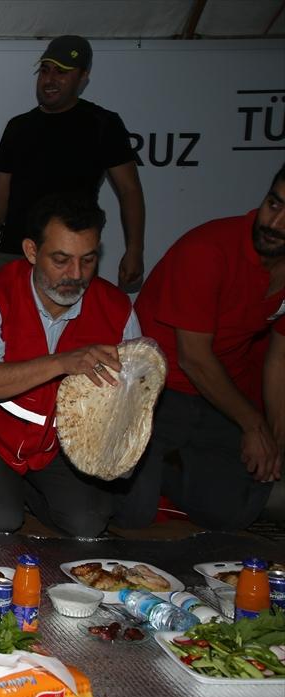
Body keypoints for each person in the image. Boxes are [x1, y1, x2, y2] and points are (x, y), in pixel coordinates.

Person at [0, 193, 141, 537]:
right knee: (0, 520)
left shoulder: (117, 309)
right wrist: (63, 362)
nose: (75, 274)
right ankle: (3, 487)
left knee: (90, 523)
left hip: (60, 445)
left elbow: (131, 400)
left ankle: (30, 490)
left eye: (88, 260)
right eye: (61, 259)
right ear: (31, 251)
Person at [116, 166, 285, 530]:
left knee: (237, 511)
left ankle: (174, 466)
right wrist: (253, 424)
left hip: (222, 397)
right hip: (157, 389)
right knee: (133, 514)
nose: (275, 222)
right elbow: (194, 358)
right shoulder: (208, 248)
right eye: (274, 204)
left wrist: (274, 440)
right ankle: (157, 465)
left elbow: (279, 359)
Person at [0, 35, 146, 291]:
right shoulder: (19, 126)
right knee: (6, 328)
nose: (50, 79)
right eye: (45, 71)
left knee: (70, 329)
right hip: (14, 251)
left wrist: (134, 249)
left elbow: (129, 190)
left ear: (83, 77)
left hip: (70, 255)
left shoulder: (103, 124)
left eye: (62, 72)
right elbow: (1, 190)